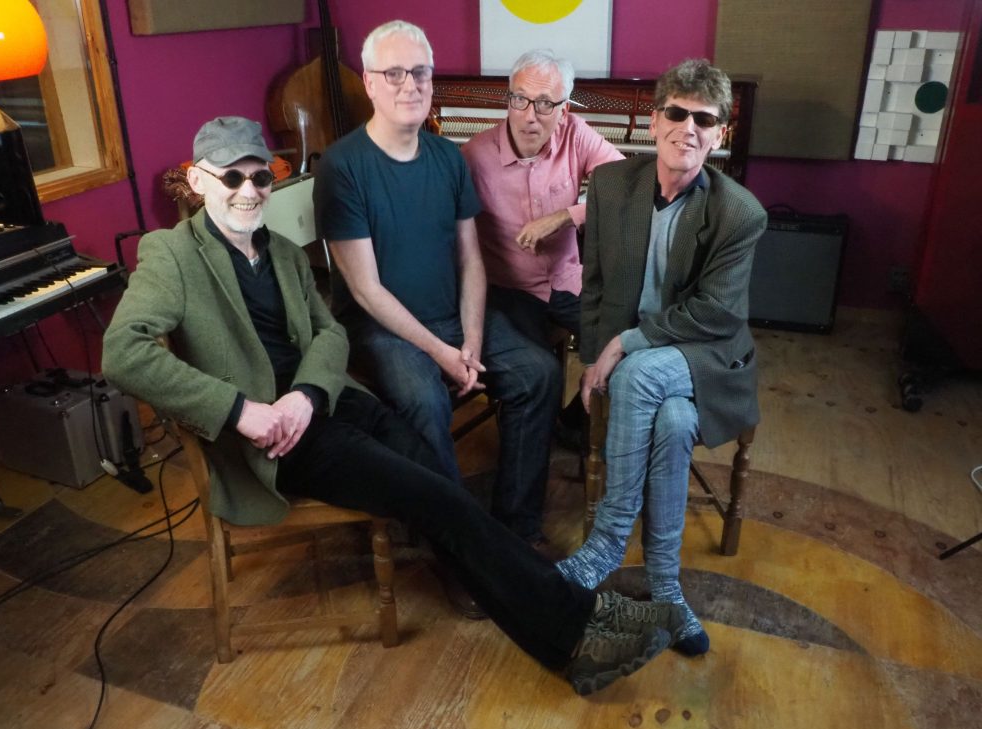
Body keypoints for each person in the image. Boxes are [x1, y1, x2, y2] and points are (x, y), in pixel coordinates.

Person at [101, 114, 688, 695]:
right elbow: (123, 355)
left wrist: (307, 394)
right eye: (232, 179)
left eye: (261, 178)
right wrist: (242, 411)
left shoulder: (277, 250)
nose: (249, 192)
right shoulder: (170, 255)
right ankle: (579, 631)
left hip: (322, 403)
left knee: (445, 492)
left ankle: (570, 613)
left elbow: (329, 334)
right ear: (198, 181)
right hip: (272, 438)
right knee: (435, 497)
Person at [314, 21, 562, 556]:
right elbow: (366, 291)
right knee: (425, 401)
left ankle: (514, 529)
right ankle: (459, 552)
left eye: (420, 72)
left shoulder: (448, 157)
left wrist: (470, 340)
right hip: (382, 327)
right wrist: (444, 354)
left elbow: (471, 260)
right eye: (394, 73)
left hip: (453, 315)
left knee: (538, 373)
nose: (410, 85)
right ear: (370, 83)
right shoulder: (342, 167)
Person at [556, 60, 767, 658]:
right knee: (672, 420)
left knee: (645, 371)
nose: (689, 128)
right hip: (639, 364)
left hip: (706, 357)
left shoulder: (739, 213)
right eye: (677, 112)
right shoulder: (612, 186)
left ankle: (606, 542)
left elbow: (717, 315)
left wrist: (623, 346)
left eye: (705, 119)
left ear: (720, 133)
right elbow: (593, 285)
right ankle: (667, 586)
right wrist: (595, 354)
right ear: (654, 122)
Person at [461, 49, 623, 442]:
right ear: (509, 98)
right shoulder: (473, 156)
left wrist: (565, 216)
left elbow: (625, 186)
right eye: (520, 99)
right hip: (509, 289)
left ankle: (572, 427)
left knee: (625, 344)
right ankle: (536, 438)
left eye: (545, 103)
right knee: (534, 375)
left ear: (563, 110)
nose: (530, 115)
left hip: (567, 280)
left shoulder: (576, 135)